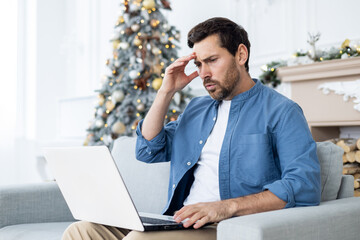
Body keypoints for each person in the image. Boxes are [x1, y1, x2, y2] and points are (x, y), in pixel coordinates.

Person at [62, 17, 321, 240]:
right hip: (180, 221)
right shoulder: (197, 109)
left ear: (241, 55)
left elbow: (303, 186)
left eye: (212, 60)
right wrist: (166, 91)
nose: (204, 73)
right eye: (198, 64)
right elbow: (148, 150)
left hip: (225, 226)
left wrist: (224, 207)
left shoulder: (282, 111)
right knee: (83, 232)